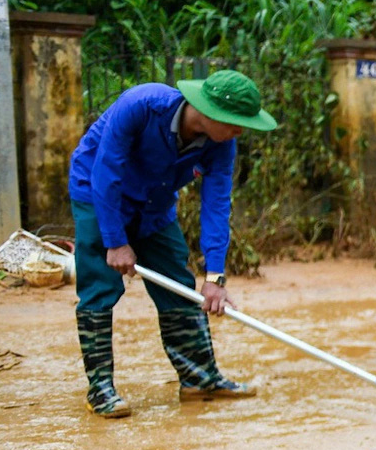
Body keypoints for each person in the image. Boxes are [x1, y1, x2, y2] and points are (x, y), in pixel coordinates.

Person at [67, 69, 276, 418]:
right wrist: (116, 241)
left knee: (180, 286)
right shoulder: (141, 106)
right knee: (100, 287)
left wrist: (214, 277)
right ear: (209, 113)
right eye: (236, 123)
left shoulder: (222, 144)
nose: (240, 131)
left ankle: (199, 379)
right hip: (99, 193)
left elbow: (217, 203)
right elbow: (106, 171)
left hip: (155, 205)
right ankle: (100, 388)